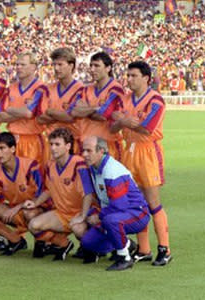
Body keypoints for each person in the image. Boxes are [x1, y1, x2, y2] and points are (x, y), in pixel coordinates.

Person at [111, 61, 172, 266]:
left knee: (153, 203)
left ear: (146, 78)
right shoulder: (125, 99)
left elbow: (148, 128)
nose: (129, 79)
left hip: (148, 152)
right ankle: (144, 249)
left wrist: (124, 120)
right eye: (128, 76)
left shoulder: (156, 100)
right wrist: (124, 121)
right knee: (136, 203)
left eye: (134, 76)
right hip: (129, 150)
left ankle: (164, 248)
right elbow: (112, 127)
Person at [77, 136, 150, 271]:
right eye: (83, 151)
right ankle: (126, 244)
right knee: (87, 242)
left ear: (102, 151)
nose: (84, 155)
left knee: (111, 221)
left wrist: (99, 216)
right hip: (116, 212)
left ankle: (125, 258)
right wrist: (90, 213)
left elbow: (119, 206)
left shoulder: (112, 171)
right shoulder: (93, 167)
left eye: (88, 151)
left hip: (137, 213)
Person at [23, 128, 95, 261]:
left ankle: (92, 250)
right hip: (61, 214)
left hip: (81, 212)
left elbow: (88, 193)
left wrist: (83, 216)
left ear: (68, 146)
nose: (53, 148)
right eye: (51, 144)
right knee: (34, 225)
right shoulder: (50, 165)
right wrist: (35, 203)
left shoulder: (79, 164)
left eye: (57, 144)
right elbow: (48, 190)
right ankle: (64, 244)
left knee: (78, 229)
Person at [0, 132, 45, 261]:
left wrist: (19, 206)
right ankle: (15, 239)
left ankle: (42, 241)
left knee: (30, 213)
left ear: (13, 149)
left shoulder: (31, 166)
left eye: (2, 148)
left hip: (37, 209)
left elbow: (44, 194)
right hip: (16, 211)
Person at [0, 51, 49, 165]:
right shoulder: (11, 88)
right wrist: (21, 112)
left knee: (32, 178)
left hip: (32, 140)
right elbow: (0, 116)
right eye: (17, 64)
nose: (18, 67)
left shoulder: (41, 88)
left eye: (23, 65)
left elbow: (28, 113)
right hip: (11, 140)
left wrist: (10, 110)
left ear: (33, 67)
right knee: (11, 178)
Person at [70, 52, 125, 160]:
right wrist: (96, 108)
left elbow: (103, 115)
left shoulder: (116, 89)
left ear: (108, 68)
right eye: (91, 65)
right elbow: (74, 112)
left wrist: (85, 111)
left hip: (107, 145)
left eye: (97, 66)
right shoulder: (86, 89)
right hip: (85, 144)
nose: (92, 69)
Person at [38, 48, 84, 154]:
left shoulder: (81, 90)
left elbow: (71, 118)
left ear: (71, 66)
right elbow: (40, 118)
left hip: (72, 146)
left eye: (60, 64)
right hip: (50, 144)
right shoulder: (48, 89)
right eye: (54, 65)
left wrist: (50, 112)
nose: (56, 68)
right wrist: (62, 116)